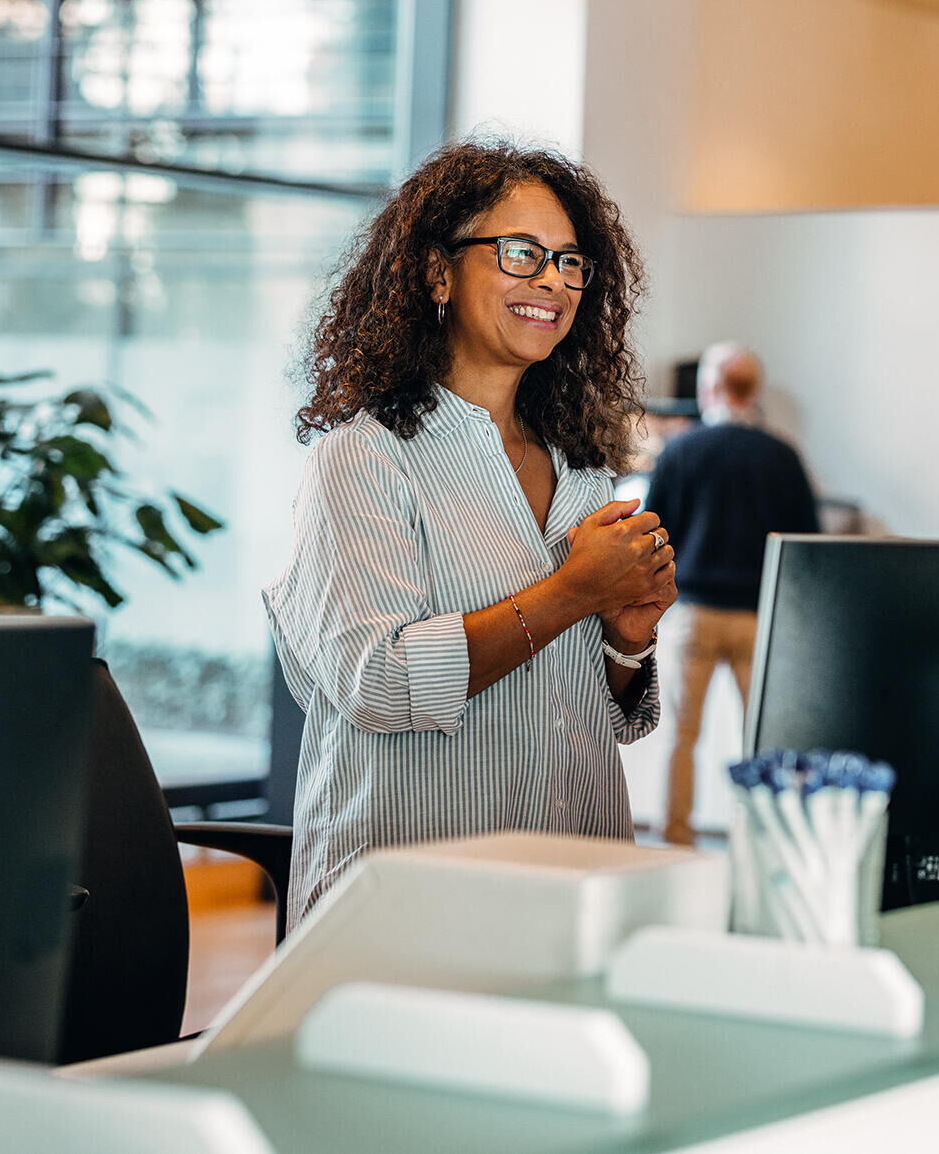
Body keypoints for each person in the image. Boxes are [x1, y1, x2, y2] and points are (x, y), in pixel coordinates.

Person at [269, 140, 677, 923]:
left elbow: (588, 711)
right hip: (410, 902)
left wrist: (626, 641)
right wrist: (571, 591)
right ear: (436, 272)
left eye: (569, 261)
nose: (553, 281)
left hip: (574, 882)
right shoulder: (365, 456)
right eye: (522, 253)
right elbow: (378, 681)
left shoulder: (581, 467)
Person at [643, 343, 820, 847]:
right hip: (757, 619)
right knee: (759, 739)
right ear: (755, 391)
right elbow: (805, 544)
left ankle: (675, 836)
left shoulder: (680, 451)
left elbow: (656, 535)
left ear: (707, 388)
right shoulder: (783, 457)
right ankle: (758, 838)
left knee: (682, 735)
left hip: (694, 614)